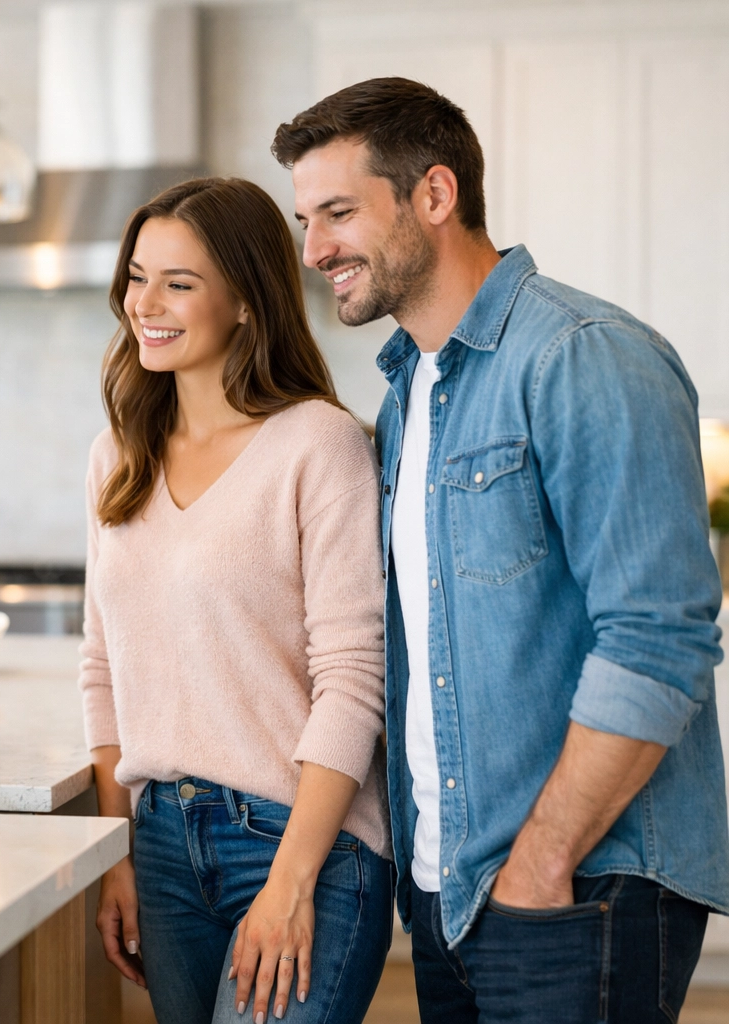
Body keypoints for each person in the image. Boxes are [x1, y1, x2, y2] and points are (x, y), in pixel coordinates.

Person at [273, 77, 729, 1022]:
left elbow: (659, 638)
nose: (314, 251)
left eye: (339, 214)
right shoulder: (407, 393)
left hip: (577, 887)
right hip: (453, 893)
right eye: (305, 221)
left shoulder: (582, 354)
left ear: (435, 195)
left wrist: (542, 861)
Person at [82, 177, 393, 1024]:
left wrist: (292, 882)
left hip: (300, 843)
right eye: (137, 276)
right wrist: (117, 856)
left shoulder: (318, 443)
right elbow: (101, 667)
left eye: (179, 283)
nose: (146, 304)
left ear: (248, 301)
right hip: (161, 850)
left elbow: (354, 680)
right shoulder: (118, 453)